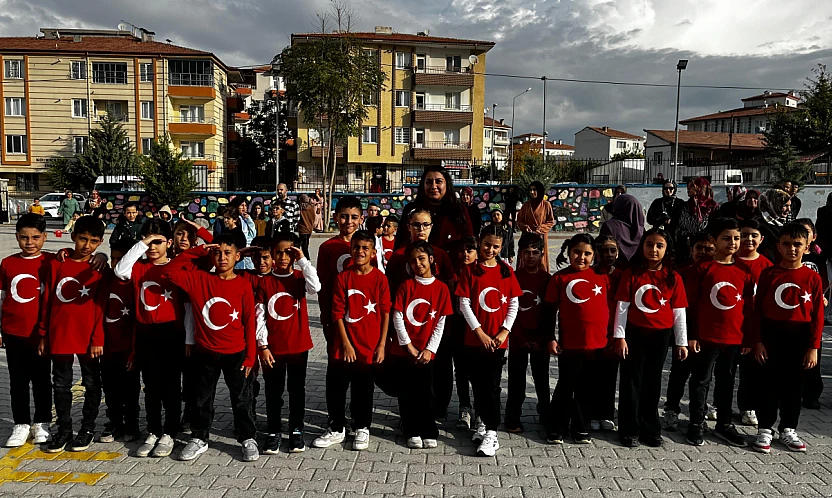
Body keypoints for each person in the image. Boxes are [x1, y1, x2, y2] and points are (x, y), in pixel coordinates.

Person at [162, 234, 258, 462]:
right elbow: (169, 271)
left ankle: (247, 437)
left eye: (228, 253)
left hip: (236, 352)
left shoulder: (243, 284)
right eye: (217, 252)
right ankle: (199, 438)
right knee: (202, 399)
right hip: (205, 352)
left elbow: (249, 322)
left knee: (241, 398)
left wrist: (251, 357)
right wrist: (198, 250)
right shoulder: (199, 280)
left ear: (238, 257)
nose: (222, 257)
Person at [114, 219, 191, 458]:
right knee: (152, 387)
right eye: (148, 241)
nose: (152, 247)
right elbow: (120, 270)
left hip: (171, 333)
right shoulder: (138, 267)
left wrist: (189, 339)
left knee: (170, 386)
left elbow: (188, 307)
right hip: (145, 333)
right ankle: (153, 430)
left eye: (158, 242)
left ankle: (169, 432)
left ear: (169, 242)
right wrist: (142, 243)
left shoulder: (177, 267)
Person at [313, 231, 391, 451]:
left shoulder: (380, 279)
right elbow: (337, 313)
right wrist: (345, 343)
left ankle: (362, 427)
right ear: (350, 250)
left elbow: (386, 312)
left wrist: (382, 344)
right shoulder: (343, 278)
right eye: (356, 247)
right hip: (343, 345)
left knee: (363, 389)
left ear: (374, 253)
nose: (360, 252)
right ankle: (337, 427)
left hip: (369, 344)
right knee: (337, 387)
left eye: (365, 248)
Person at [613, 228, 688, 448]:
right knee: (631, 381)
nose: (653, 250)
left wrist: (681, 341)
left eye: (659, 246)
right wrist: (620, 336)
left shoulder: (673, 277)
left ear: (667, 249)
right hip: (634, 334)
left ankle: (650, 428)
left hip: (661, 336)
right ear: (642, 246)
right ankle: (629, 429)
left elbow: (679, 311)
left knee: (653, 383)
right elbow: (623, 306)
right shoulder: (632, 273)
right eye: (649, 244)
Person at [752, 223, 823, 453]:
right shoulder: (769, 273)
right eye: (786, 244)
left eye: (797, 244)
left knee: (794, 385)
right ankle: (764, 428)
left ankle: (788, 428)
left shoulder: (813, 278)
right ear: (778, 246)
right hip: (772, 334)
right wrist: (758, 340)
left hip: (799, 337)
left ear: (807, 247)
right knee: (767, 383)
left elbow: (817, 317)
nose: (792, 249)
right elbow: (757, 310)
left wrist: (813, 347)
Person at [39, 216, 107, 453]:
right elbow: (47, 300)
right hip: (60, 333)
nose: (87, 246)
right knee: (60, 384)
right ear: (73, 237)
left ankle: (87, 428)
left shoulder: (99, 268)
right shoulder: (58, 263)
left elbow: (101, 306)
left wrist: (97, 338)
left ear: (100, 242)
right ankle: (64, 429)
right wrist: (43, 334)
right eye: (82, 239)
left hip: (88, 337)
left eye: (94, 241)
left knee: (91, 382)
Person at [683, 217, 753, 448]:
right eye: (726, 238)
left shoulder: (744, 271)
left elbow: (748, 306)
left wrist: (749, 337)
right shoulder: (702, 270)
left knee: (727, 381)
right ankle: (696, 423)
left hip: (734, 337)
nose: (733, 243)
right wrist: (691, 335)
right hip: (705, 337)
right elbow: (690, 306)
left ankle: (724, 423)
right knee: (701, 380)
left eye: (736, 238)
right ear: (713, 241)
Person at [456, 224, 522, 457]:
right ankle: (482, 421)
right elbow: (464, 304)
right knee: (478, 383)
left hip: (497, 341)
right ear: (479, 243)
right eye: (486, 245)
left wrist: (504, 331)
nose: (490, 250)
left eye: (495, 246)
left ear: (502, 246)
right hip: (475, 340)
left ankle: (492, 432)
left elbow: (514, 303)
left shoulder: (506, 271)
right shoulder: (470, 271)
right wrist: (479, 332)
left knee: (492, 386)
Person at [255, 232, 321, 454]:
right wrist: (262, 346)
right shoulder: (265, 282)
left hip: (298, 346)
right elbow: (259, 317)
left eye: (288, 252)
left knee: (296, 390)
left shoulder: (300, 278)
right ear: (272, 255)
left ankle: (296, 429)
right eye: (279, 252)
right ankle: (274, 430)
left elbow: (317, 287)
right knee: (273, 391)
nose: (283, 257)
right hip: (273, 349)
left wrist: (302, 258)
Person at [544, 233, 611, 444]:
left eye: (587, 254)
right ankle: (557, 427)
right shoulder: (559, 278)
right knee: (566, 386)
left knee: (587, 388)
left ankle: (581, 427)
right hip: (570, 345)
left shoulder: (604, 278)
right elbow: (548, 311)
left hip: (598, 344)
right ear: (569, 252)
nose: (581, 257)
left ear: (594, 256)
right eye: (577, 252)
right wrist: (550, 338)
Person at [389, 241, 453, 449]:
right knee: (407, 392)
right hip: (405, 351)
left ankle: (428, 429)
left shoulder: (441, 288)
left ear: (431, 260)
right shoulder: (406, 286)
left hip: (427, 352)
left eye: (422, 258)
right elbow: (397, 316)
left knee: (426, 391)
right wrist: (408, 346)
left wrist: (430, 349)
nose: (418, 263)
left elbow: (441, 322)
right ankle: (411, 429)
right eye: (414, 260)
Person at [0, 214, 53, 448]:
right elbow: (2, 297)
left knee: (42, 380)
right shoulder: (7, 263)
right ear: (17, 238)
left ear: (45, 237)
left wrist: (101, 256)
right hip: (13, 332)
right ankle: (20, 424)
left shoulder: (52, 261)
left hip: (41, 335)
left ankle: (42, 422)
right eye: (24, 238)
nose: (29, 242)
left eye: (35, 237)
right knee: (17, 381)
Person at [662, 232, 715, 431]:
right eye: (698, 248)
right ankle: (671, 409)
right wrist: (687, 336)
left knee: (703, 377)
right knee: (678, 374)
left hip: (709, 335)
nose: (703, 252)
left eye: (708, 248)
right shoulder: (682, 274)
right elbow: (681, 309)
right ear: (691, 250)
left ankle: (698, 413)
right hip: (683, 335)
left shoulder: (718, 273)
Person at [504, 234, 550, 433]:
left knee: (542, 380)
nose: (531, 256)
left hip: (540, 339)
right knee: (516, 381)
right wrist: (521, 338)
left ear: (541, 254)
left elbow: (550, 313)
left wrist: (541, 339)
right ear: (520, 254)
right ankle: (512, 417)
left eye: (535, 252)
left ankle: (547, 414)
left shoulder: (547, 280)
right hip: (517, 339)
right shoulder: (512, 278)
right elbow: (509, 312)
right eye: (527, 252)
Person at [99, 238, 141, 444]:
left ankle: (132, 424)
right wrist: (101, 256)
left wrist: (134, 351)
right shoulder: (105, 277)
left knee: (131, 390)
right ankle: (115, 423)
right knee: (110, 388)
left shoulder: (136, 282)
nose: (115, 263)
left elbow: (138, 322)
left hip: (128, 349)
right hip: (106, 347)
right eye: (112, 258)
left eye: (120, 259)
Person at [735, 219, 772, 427]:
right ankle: (715, 405)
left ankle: (747, 407)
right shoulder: (729, 260)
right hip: (729, 325)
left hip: (754, 327)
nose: (748, 239)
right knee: (724, 370)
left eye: (753, 235)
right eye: (744, 234)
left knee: (751, 371)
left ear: (761, 239)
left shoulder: (767, 266)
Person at [317, 196, 363, 350]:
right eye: (344, 216)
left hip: (361, 311)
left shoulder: (367, 247)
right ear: (335, 218)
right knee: (336, 357)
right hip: (335, 313)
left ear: (361, 219)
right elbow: (322, 284)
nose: (349, 221)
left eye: (354, 217)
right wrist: (325, 315)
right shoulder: (327, 247)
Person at [395, 166, 473, 253]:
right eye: (429, 182)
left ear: (446, 183)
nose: (433, 186)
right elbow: (400, 243)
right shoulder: (411, 210)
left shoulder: (458, 210)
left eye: (438, 182)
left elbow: (469, 243)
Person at [590, 235, 622, 432]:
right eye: (604, 250)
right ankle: (592, 413)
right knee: (592, 375)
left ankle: (607, 413)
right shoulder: (590, 274)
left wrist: (618, 335)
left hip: (613, 334)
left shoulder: (621, 276)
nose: (609, 254)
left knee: (610, 376)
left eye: (613, 250)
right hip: (594, 334)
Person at [450, 235, 478, 430]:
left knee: (478, 373)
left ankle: (481, 409)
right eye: (462, 250)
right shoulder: (452, 273)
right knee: (460, 371)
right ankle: (464, 407)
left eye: (470, 250)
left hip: (478, 328)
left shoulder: (481, 272)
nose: (465, 254)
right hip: (458, 327)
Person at [674, 177, 718, 265]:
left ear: (700, 188)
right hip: (687, 248)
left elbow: (715, 228)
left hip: (706, 247)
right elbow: (679, 226)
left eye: (692, 186)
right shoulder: (685, 206)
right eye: (688, 186)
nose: (688, 188)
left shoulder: (712, 207)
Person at [516, 181, 555, 271]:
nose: (532, 192)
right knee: (525, 259)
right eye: (530, 190)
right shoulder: (526, 205)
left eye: (534, 190)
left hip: (540, 237)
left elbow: (550, 221)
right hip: (527, 237)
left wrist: (541, 229)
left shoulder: (546, 205)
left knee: (540, 261)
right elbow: (519, 220)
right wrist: (524, 227)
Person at [599, 194, 645, 268]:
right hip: (636, 274)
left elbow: (600, 255)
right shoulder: (642, 230)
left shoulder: (610, 226)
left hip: (613, 273)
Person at [296, 195, 317, 259]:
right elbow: (314, 217)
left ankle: (306, 257)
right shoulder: (311, 207)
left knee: (302, 244)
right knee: (306, 244)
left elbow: (298, 217)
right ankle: (305, 256)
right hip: (309, 228)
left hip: (303, 228)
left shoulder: (301, 208)